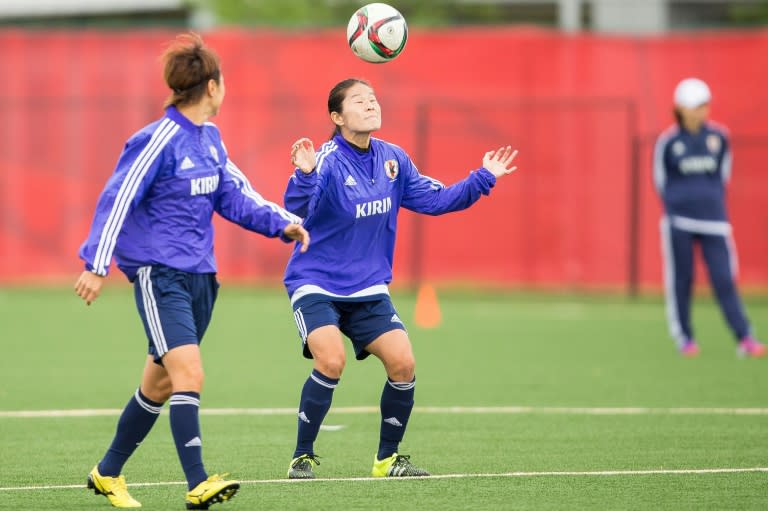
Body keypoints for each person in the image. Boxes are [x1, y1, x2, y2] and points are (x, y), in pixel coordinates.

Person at [75, 33, 309, 509]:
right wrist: (96, 264)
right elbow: (116, 198)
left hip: (202, 276)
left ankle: (106, 473)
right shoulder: (156, 139)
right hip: (160, 275)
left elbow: (234, 194)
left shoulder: (210, 140)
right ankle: (197, 482)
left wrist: (281, 223)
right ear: (213, 86)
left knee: (158, 384)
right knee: (190, 374)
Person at [281, 78, 519, 479]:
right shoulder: (325, 160)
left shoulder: (393, 159)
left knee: (403, 363)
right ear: (337, 117)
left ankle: (388, 460)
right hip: (315, 281)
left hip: (369, 286)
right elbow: (297, 206)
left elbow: (438, 200)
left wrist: (483, 177)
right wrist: (304, 173)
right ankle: (302, 456)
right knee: (331, 359)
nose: (371, 104)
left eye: (373, 99)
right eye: (359, 101)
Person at [653, 77, 764, 358]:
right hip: (679, 222)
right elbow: (660, 180)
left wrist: (709, 202)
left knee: (724, 279)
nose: (699, 111)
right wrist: (677, 207)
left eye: (703, 105)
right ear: (680, 108)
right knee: (682, 279)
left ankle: (744, 337)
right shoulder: (668, 142)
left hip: (714, 221)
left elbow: (722, 176)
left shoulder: (719, 138)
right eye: (693, 106)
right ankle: (685, 338)